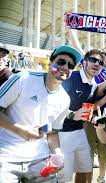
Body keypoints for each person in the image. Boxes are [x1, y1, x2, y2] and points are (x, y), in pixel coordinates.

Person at [0, 45, 81, 182]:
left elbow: (52, 132)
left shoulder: (64, 99)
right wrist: (20, 130)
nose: (65, 67)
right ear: (50, 63)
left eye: (71, 65)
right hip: (6, 157)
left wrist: (58, 154)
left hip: (40, 160)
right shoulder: (23, 79)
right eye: (61, 62)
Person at [59, 49, 106, 183]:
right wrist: (72, 115)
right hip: (62, 134)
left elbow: (90, 107)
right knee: (64, 176)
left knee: (85, 170)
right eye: (93, 60)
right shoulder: (71, 77)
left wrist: (105, 99)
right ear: (84, 62)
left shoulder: (93, 84)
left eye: (100, 62)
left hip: (79, 132)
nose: (97, 63)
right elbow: (53, 103)